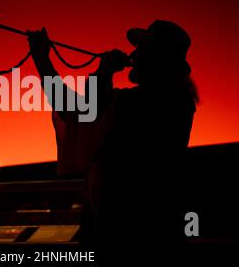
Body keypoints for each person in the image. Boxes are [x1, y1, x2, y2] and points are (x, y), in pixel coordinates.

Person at [27, 20, 198, 257]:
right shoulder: (178, 99)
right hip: (155, 223)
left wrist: (100, 71)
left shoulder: (143, 102)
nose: (134, 54)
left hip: (126, 226)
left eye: (142, 49)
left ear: (157, 58)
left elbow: (77, 108)